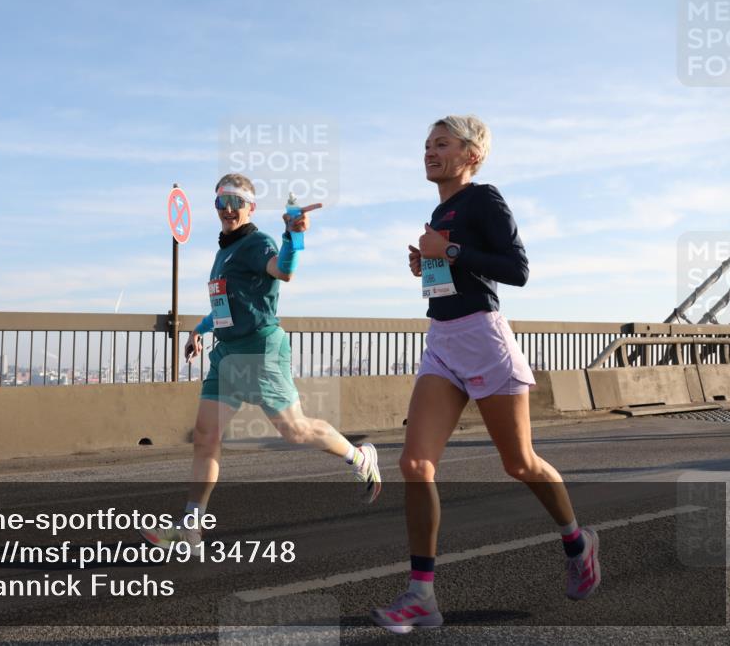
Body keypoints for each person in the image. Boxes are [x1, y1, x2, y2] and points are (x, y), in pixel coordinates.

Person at [371, 116, 601, 633]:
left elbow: (516, 269)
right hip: (442, 342)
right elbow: (458, 271)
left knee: (519, 463)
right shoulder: (439, 210)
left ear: (471, 154)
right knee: (415, 463)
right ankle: (421, 597)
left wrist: (447, 251)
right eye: (427, 143)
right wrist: (429, 265)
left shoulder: (485, 198)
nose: (430, 151)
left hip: (483, 340)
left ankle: (577, 541)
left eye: (442, 144)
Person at [141, 173, 382, 549]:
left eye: (236, 201)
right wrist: (200, 329)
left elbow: (283, 269)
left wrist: (294, 236)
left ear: (251, 207)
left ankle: (359, 456)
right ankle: (191, 527)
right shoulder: (224, 252)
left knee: (295, 431)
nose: (228, 209)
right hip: (226, 353)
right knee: (206, 437)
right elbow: (227, 305)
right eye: (222, 201)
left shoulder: (257, 243)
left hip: (260, 351)